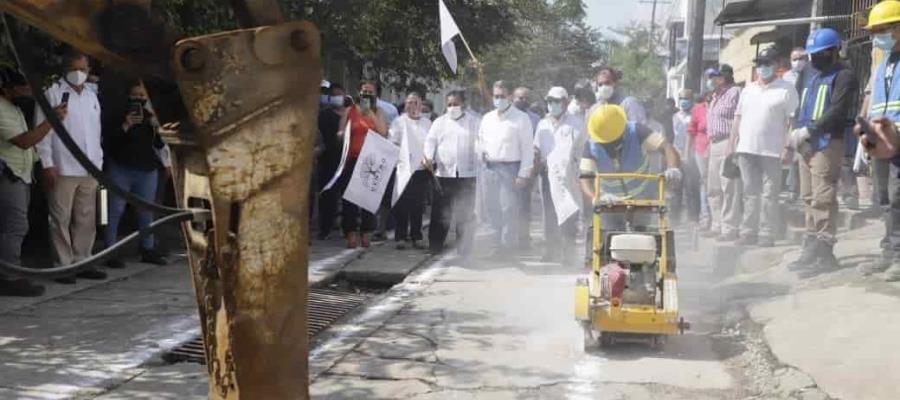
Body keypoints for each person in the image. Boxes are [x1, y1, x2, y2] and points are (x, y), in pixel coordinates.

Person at [787, 28, 859, 274]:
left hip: (827, 142)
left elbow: (837, 110)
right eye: (812, 54)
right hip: (805, 142)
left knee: (823, 197)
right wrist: (795, 132)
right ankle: (810, 245)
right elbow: (799, 104)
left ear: (833, 51)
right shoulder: (808, 72)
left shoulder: (845, 76)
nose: (814, 58)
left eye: (820, 53)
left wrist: (811, 131)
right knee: (807, 197)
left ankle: (825, 251)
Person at [35, 50, 107, 283]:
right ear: (65, 69)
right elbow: (43, 132)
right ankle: (63, 265)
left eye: (83, 69)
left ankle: (83, 260)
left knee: (86, 217)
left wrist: (99, 161)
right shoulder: (52, 93)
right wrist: (47, 164)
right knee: (60, 218)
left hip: (90, 167)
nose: (79, 74)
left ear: (89, 71)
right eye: (74, 69)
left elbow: (96, 132)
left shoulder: (91, 95)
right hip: (62, 166)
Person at [0, 69, 67, 296]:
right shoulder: (1, 109)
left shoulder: (13, 108)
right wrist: (52, 121)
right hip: (9, 176)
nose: (25, 91)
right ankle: (9, 277)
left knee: (13, 227)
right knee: (15, 227)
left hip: (21, 174)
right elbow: (24, 141)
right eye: (21, 87)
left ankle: (10, 271)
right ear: (6, 87)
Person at [578, 105, 682, 243]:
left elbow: (666, 147)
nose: (610, 147)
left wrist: (673, 168)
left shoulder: (637, 131)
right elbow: (585, 179)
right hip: (610, 202)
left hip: (643, 198)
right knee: (606, 242)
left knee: (643, 239)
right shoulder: (591, 146)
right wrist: (597, 197)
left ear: (621, 133)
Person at [731, 47, 800, 247]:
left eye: (767, 63)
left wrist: (788, 146)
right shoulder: (748, 90)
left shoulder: (787, 89)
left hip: (772, 150)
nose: (763, 68)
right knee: (749, 192)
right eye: (760, 64)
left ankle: (766, 233)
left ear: (776, 65)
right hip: (746, 149)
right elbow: (738, 118)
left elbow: (791, 121)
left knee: (770, 194)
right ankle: (748, 232)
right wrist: (732, 144)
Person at [102, 82, 169, 268]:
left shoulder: (151, 117)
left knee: (146, 211)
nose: (139, 100)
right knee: (114, 210)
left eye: (142, 96)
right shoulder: (116, 114)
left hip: (147, 169)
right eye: (135, 95)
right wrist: (126, 124)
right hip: (121, 167)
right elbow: (109, 141)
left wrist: (158, 127)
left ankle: (147, 248)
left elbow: (160, 145)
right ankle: (110, 250)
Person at [857, 1, 900, 281]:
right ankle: (889, 250)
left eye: (882, 30)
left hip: (897, 140)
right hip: (880, 141)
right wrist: (864, 134)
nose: (878, 36)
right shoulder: (884, 63)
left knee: (898, 199)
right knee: (885, 199)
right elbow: (872, 102)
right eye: (874, 31)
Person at [478, 80, 534, 251]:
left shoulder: (521, 118)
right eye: (496, 96)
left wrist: (523, 174)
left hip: (510, 168)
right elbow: (480, 141)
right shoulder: (487, 118)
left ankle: (508, 248)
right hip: (489, 168)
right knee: (491, 207)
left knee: (508, 209)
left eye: (502, 96)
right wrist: (480, 153)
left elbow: (527, 149)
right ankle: (496, 245)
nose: (499, 99)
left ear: (509, 96)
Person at [424, 91, 479, 255]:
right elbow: (430, 141)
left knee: (466, 211)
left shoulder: (474, 122)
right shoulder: (439, 122)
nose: (452, 107)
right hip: (444, 173)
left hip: (467, 174)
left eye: (456, 104)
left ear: (463, 104)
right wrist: (428, 157)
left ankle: (464, 248)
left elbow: (480, 141)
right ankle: (435, 246)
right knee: (441, 210)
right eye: (449, 104)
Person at [336, 79, 389, 248]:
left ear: (376, 95)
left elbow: (383, 132)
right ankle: (351, 233)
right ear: (359, 93)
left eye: (370, 92)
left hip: (370, 162)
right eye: (364, 91)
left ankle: (366, 233)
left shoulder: (378, 111)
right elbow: (341, 131)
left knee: (368, 200)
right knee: (349, 200)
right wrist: (341, 133)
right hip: (352, 159)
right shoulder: (349, 110)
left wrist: (369, 113)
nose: (366, 94)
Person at [534, 87, 583, 264]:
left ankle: (568, 252)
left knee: (569, 211)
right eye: (549, 101)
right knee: (549, 213)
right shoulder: (542, 124)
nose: (552, 105)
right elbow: (537, 149)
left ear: (565, 102)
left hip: (569, 175)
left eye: (556, 101)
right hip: (547, 175)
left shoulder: (576, 123)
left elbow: (581, 150)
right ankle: (550, 250)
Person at [704, 65, 743, 241]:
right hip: (714, 143)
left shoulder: (735, 92)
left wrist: (735, 144)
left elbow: (741, 118)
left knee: (729, 187)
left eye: (715, 77)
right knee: (713, 188)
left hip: (729, 141)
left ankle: (729, 228)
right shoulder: (714, 97)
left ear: (725, 77)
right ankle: (716, 225)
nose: (711, 80)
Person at [389, 93, 432, 250]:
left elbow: (431, 144)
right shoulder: (398, 122)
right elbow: (392, 143)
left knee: (418, 205)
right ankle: (400, 237)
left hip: (421, 170)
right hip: (403, 169)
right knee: (402, 204)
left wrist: (429, 159)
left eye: (415, 102)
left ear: (421, 106)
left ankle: (417, 236)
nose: (411, 105)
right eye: (408, 102)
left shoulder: (427, 123)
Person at [317, 83, 348, 240]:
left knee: (347, 195)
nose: (337, 97)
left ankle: (347, 228)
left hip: (347, 159)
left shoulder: (350, 115)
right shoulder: (323, 115)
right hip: (328, 160)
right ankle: (325, 228)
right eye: (334, 94)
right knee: (328, 195)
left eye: (339, 94)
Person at [513, 86, 540, 247]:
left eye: (525, 98)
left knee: (523, 204)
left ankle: (523, 238)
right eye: (519, 97)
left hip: (526, 167)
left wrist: (533, 169)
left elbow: (536, 147)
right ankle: (507, 239)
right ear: (512, 98)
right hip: (507, 165)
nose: (523, 101)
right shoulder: (507, 117)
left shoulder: (535, 119)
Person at [671, 89, 701, 225]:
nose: (684, 101)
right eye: (681, 98)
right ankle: (674, 218)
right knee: (676, 188)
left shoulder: (695, 116)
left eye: (686, 99)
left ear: (692, 100)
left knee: (691, 187)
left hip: (691, 156)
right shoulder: (675, 116)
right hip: (677, 155)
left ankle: (693, 217)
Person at [688, 92, 712, 229]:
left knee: (717, 184)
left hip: (717, 149)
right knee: (704, 182)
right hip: (700, 150)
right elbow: (691, 131)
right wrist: (687, 152)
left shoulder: (720, 107)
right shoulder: (698, 109)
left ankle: (716, 219)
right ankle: (705, 217)